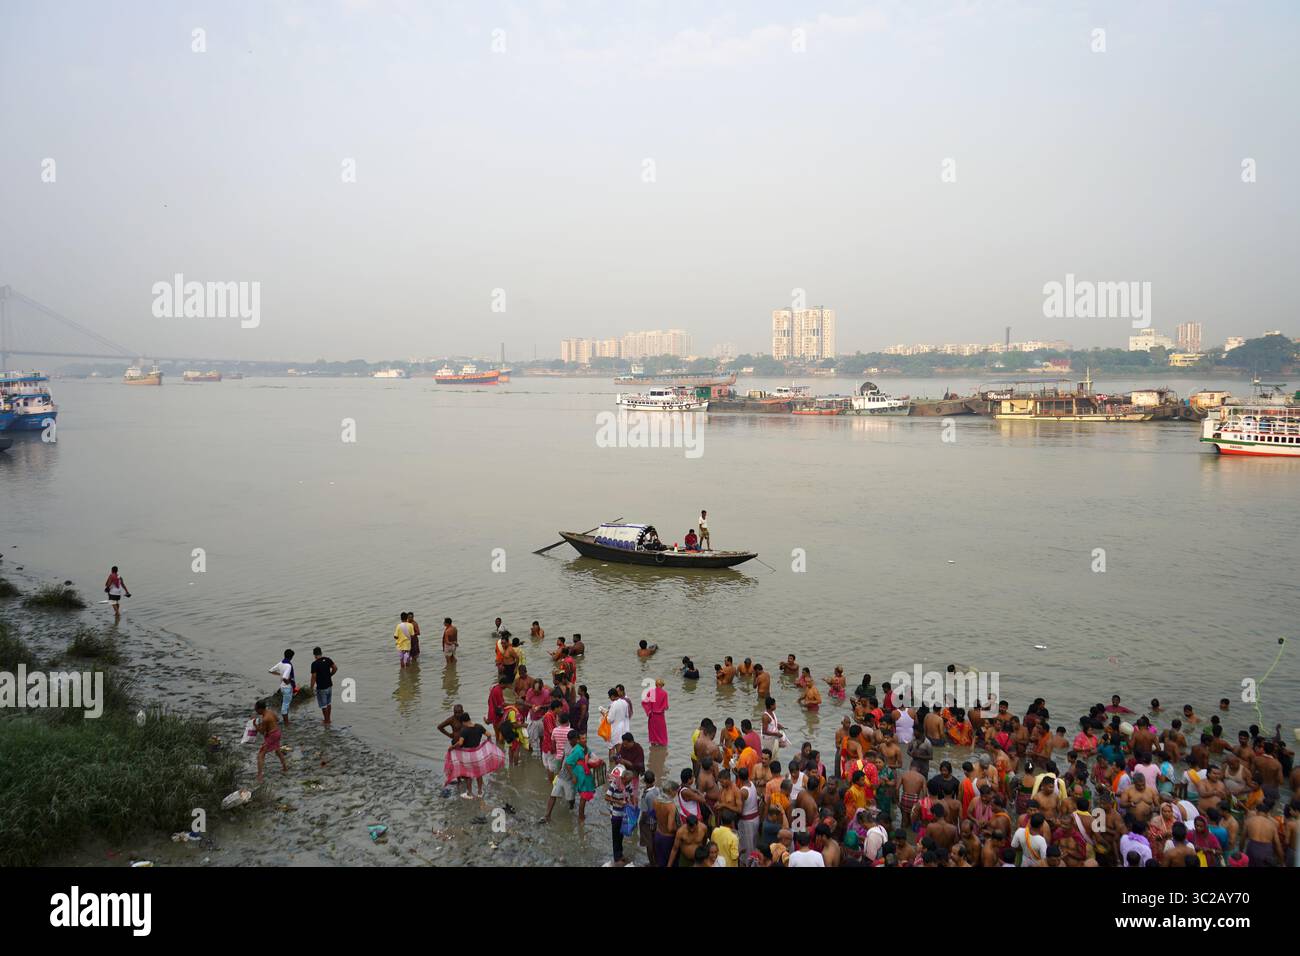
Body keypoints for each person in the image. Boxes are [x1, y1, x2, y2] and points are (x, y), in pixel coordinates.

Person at [444, 713, 506, 799]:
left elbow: (461, 743)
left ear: (463, 722)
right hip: (478, 754)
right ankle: (480, 792)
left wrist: (452, 747)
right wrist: (487, 745)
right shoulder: (479, 727)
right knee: (479, 774)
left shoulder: (464, 730)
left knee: (468, 775)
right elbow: (489, 735)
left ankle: (469, 793)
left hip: (468, 755)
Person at [253, 699, 288, 782]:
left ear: (260, 709)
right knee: (277, 751)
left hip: (271, 736)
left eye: (256, 709)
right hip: (277, 732)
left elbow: (262, 732)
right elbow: (277, 719)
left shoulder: (265, 718)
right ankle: (285, 768)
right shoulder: (270, 712)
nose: (256, 711)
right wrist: (270, 725)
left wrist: (255, 726)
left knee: (261, 754)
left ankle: (259, 775)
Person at [308, 646, 337, 725]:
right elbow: (335, 668)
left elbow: (314, 677)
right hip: (329, 685)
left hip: (321, 687)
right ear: (321, 653)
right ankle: (329, 719)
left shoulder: (314, 664)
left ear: (314, 655)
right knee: (328, 703)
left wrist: (311, 688)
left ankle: (326, 721)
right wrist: (330, 675)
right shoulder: (328, 660)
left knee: (324, 705)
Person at [269, 649, 295, 724]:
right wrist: (289, 682)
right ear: (291, 657)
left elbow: (270, 670)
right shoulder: (288, 665)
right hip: (287, 687)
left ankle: (286, 721)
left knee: (285, 704)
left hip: (282, 687)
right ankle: (286, 722)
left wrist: (279, 674)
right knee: (285, 706)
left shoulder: (281, 663)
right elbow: (285, 678)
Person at [642, 678, 669, 746]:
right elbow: (666, 707)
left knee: (653, 733)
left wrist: (649, 711)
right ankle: (662, 747)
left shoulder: (652, 692)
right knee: (661, 733)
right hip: (660, 716)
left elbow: (644, 702)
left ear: (656, 684)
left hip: (652, 716)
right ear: (662, 685)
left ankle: (653, 746)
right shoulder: (664, 693)